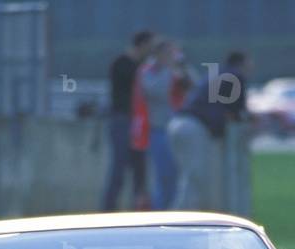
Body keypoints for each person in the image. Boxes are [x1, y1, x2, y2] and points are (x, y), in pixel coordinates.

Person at [167, 51, 251, 211]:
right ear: (242, 62)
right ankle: (181, 219)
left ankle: (182, 216)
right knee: (196, 179)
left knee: (189, 177)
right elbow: (236, 112)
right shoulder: (235, 75)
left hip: (179, 123)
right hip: (194, 127)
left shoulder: (218, 72)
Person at [131, 39, 193, 210]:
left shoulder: (177, 70)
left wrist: (183, 68)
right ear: (157, 54)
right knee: (163, 177)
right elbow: (157, 91)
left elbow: (193, 86)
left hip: (179, 129)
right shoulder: (148, 72)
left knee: (179, 178)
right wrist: (168, 69)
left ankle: (175, 213)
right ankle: (160, 213)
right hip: (159, 130)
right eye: (166, 53)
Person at [101, 30, 154, 211]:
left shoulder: (138, 65)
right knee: (119, 168)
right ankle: (108, 210)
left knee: (140, 170)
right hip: (122, 120)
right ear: (142, 44)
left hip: (136, 122)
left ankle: (137, 211)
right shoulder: (123, 63)